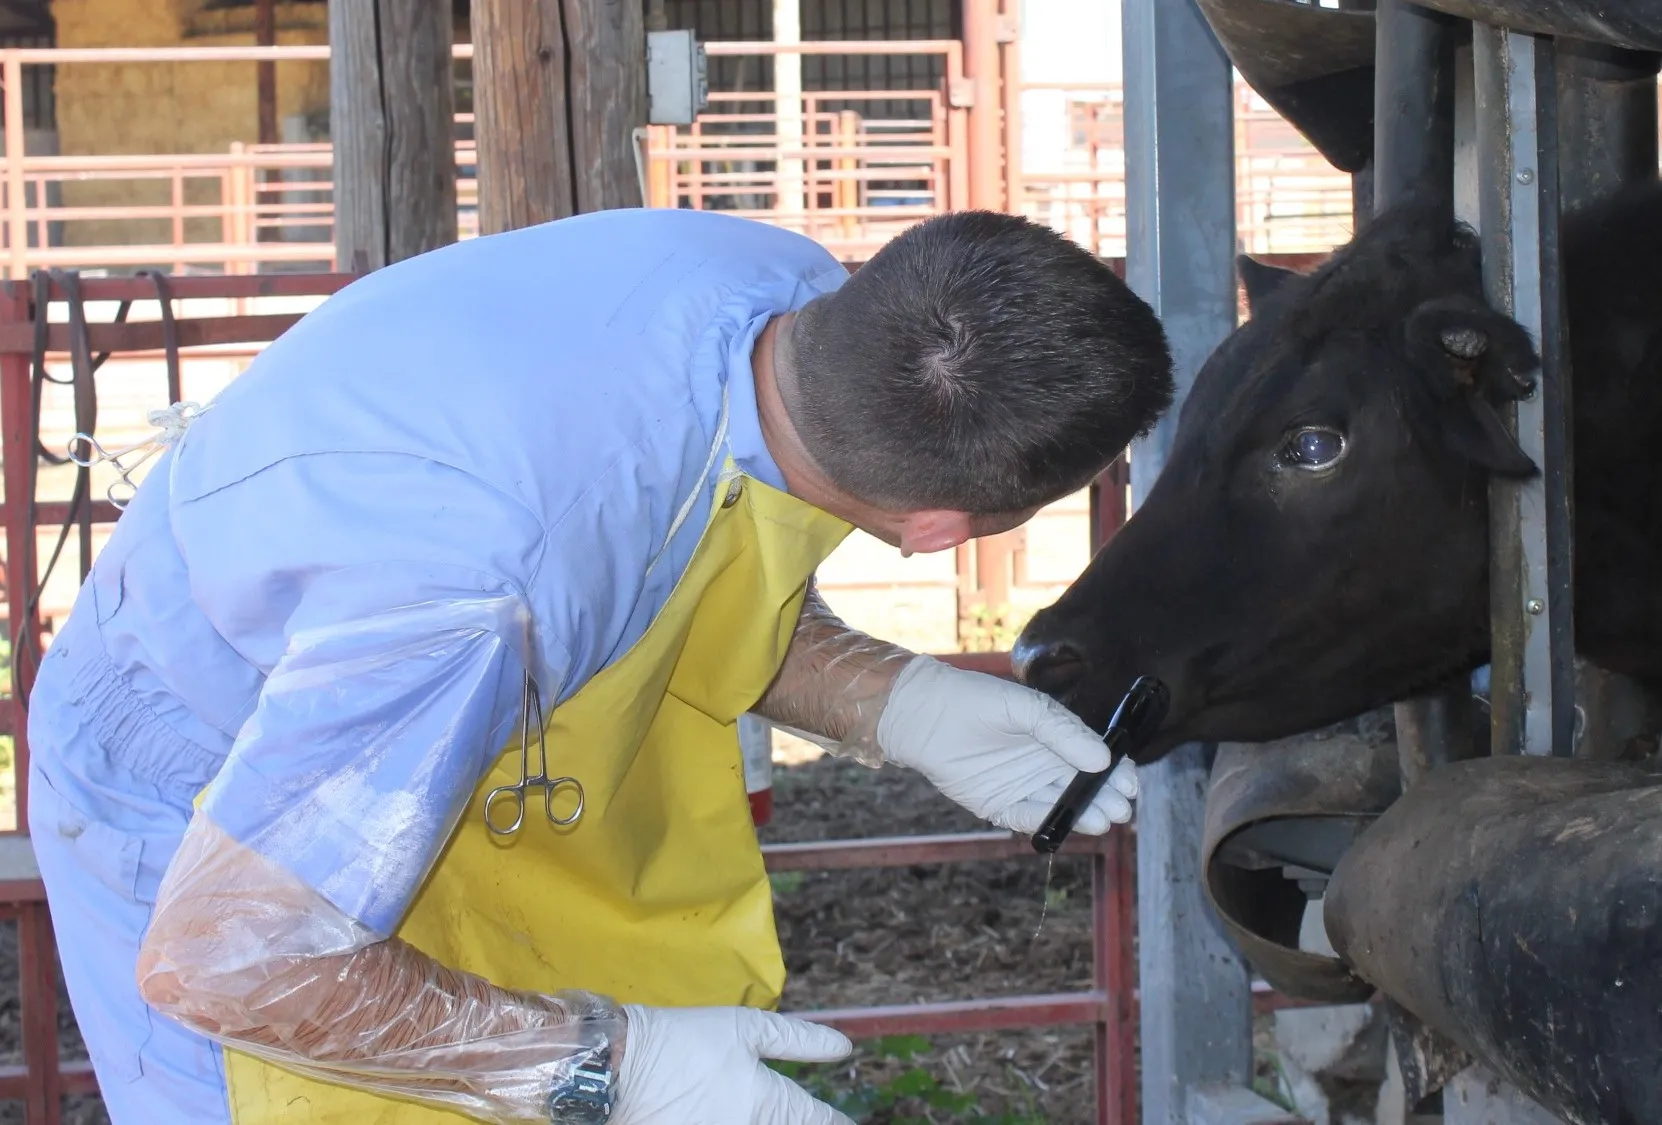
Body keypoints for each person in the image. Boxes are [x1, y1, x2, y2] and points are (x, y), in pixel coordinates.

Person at [27, 205, 1173, 1125]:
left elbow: (674, 568)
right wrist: (601, 1067)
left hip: (419, 661)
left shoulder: (779, 288)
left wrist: (899, 701)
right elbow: (232, 961)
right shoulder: (470, 604)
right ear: (939, 532)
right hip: (209, 785)